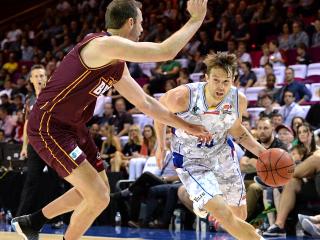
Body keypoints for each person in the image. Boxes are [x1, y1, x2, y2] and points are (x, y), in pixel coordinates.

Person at [11, 1, 211, 240]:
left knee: (100, 190)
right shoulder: (103, 45)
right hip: (49, 125)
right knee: (98, 196)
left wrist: (187, 126)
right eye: (141, 24)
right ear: (130, 23)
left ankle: (33, 222)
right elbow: (165, 51)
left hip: (73, 126)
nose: (142, 30)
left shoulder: (116, 63)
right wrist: (196, 19)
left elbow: (145, 104)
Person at [154, 52, 267, 240]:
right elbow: (158, 112)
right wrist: (160, 145)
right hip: (192, 160)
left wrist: (263, 154)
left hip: (222, 155)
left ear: (233, 80)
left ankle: (207, 203)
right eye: (216, 80)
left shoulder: (238, 100)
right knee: (225, 214)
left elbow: (237, 131)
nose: (221, 87)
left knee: (239, 216)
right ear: (206, 77)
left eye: (226, 81)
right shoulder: (183, 96)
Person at [16, 65, 64, 228]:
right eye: (36, 76)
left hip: (51, 145)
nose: (39, 79)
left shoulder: (54, 95)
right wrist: (24, 147)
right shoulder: (29, 100)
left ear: (47, 78)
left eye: (42, 76)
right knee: (31, 181)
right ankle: (20, 218)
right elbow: (27, 125)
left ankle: (57, 218)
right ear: (30, 80)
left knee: (55, 182)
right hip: (35, 146)